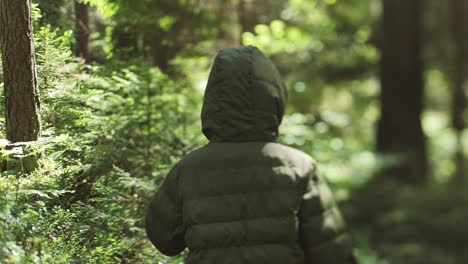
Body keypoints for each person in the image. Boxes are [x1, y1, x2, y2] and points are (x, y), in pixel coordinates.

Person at [145, 46, 357, 264]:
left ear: (214, 101)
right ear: (274, 98)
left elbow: (164, 240)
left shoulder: (187, 170)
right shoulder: (298, 167)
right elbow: (333, 252)